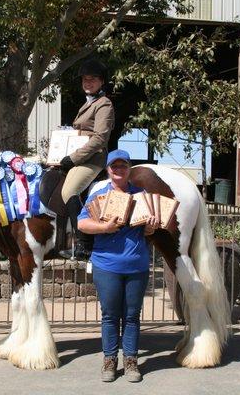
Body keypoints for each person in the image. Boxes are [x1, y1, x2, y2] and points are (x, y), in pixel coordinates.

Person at [77, 149, 159, 382]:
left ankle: (131, 361)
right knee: (110, 315)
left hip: (136, 265)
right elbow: (82, 223)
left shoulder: (142, 195)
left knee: (132, 316)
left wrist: (151, 226)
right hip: (107, 265)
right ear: (108, 170)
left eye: (123, 166)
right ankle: (110, 360)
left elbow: (148, 230)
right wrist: (103, 228)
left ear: (129, 169)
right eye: (114, 166)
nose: (118, 170)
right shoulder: (99, 194)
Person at [59, 59, 115, 260]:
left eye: (92, 79)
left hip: (92, 159)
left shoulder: (104, 104)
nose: (87, 82)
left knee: (69, 190)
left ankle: (84, 243)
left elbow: (100, 138)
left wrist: (73, 158)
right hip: (79, 158)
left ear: (102, 81)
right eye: (84, 79)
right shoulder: (88, 103)